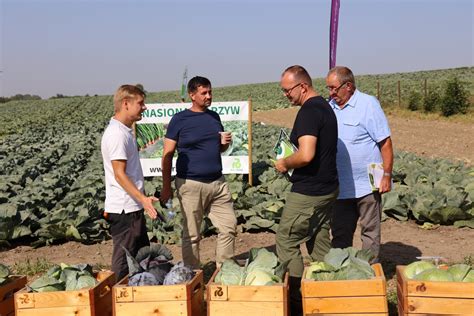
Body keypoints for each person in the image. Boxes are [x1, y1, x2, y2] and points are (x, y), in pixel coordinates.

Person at [275, 65, 339, 316]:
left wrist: (284, 163)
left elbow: (306, 154)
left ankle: (297, 299)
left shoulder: (309, 112)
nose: (286, 95)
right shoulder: (325, 107)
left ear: (303, 86)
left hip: (309, 192)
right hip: (328, 188)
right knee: (318, 240)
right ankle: (326, 295)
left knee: (286, 239)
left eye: (287, 90)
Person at [160, 76, 237, 269]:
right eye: (204, 93)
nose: (209, 96)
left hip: (218, 183)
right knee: (192, 235)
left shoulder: (214, 117)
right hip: (190, 185)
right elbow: (167, 155)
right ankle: (193, 274)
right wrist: (166, 187)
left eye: (210, 92)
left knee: (229, 227)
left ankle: (224, 270)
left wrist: (224, 145)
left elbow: (217, 150)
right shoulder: (179, 120)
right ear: (192, 95)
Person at [326, 66, 393, 262]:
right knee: (340, 233)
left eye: (334, 88)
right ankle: (342, 271)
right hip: (340, 186)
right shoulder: (329, 107)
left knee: (370, 232)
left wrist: (387, 175)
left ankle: (369, 272)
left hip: (367, 185)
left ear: (348, 86)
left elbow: (385, 142)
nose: (331, 93)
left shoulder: (368, 104)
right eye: (328, 88)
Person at [101, 84, 158, 281]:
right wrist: (142, 198)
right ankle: (117, 299)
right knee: (124, 261)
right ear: (126, 104)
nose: (144, 107)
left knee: (142, 256)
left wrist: (141, 199)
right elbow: (119, 174)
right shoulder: (117, 134)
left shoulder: (123, 131)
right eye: (140, 103)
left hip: (131, 207)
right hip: (124, 209)